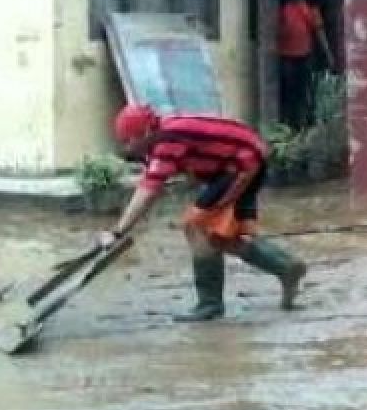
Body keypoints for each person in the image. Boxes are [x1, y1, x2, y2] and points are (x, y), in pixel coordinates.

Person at [102, 104, 307, 322]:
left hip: (241, 162)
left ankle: (210, 304)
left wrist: (117, 232)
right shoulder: (164, 133)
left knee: (195, 226)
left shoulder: (166, 140)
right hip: (244, 157)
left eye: (128, 140)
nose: (128, 148)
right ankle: (285, 267)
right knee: (217, 237)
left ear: (144, 133)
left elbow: (147, 192)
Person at [277, 0, 334, 130]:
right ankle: (287, 126)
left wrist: (328, 55)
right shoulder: (284, 9)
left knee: (305, 93)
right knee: (288, 94)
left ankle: (303, 126)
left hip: (305, 56)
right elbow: (274, 32)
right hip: (287, 57)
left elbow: (319, 33)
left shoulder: (310, 9)